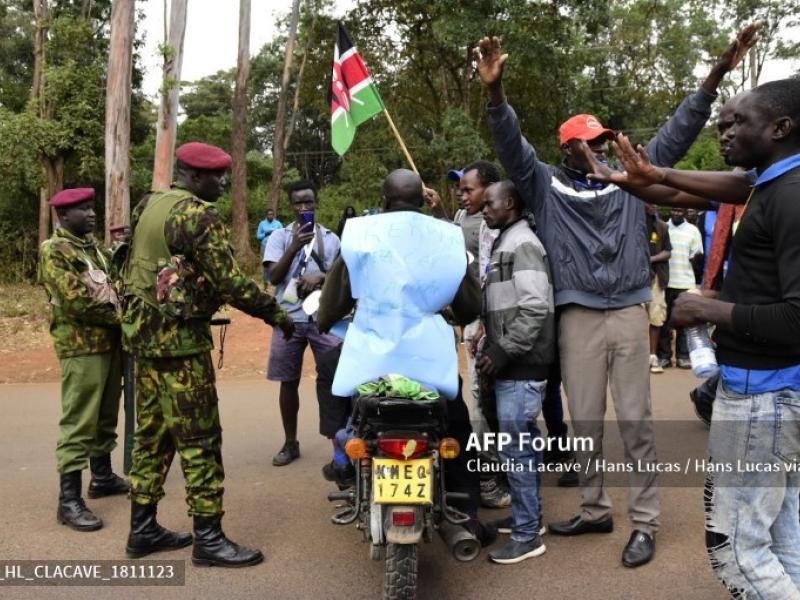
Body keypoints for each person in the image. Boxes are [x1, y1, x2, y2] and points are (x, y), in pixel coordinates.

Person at [474, 23, 756, 568]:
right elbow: (511, 146)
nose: (601, 147)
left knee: (636, 422)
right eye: (589, 142)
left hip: (628, 310)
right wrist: (495, 93)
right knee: (583, 421)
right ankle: (595, 507)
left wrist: (719, 70)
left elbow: (679, 126)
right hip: (576, 316)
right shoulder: (544, 187)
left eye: (603, 138)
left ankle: (645, 522)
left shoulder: (632, 176)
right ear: (568, 149)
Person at [597, 78, 800, 598]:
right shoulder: (768, 184)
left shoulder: (790, 198)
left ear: (781, 127)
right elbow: (680, 186)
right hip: (769, 393)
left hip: (764, 397)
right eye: (722, 123)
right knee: (782, 538)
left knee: (735, 551)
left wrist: (709, 309)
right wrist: (636, 175)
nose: (725, 133)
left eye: (737, 123)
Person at [122, 142, 293, 567]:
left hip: (144, 340)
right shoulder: (197, 216)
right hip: (179, 344)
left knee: (152, 435)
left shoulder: (151, 203)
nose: (222, 183)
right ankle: (209, 538)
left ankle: (142, 528)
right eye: (216, 177)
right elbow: (232, 283)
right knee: (199, 441)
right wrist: (278, 315)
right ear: (194, 177)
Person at [316, 168, 490, 544]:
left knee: (343, 395)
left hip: (370, 359)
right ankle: (469, 512)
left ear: (384, 199)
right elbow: (468, 306)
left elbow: (335, 298)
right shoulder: (447, 237)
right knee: (456, 425)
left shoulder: (361, 235)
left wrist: (324, 318)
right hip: (429, 362)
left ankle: (348, 468)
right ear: (421, 199)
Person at [39, 187, 128, 532]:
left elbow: (114, 287)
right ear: (63, 216)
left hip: (109, 344)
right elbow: (76, 300)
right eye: (83, 209)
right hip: (82, 347)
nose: (92, 214)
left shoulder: (95, 250)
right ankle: (69, 501)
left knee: (105, 415)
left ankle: (102, 477)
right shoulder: (55, 250)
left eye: (92, 207)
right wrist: (124, 319)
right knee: (80, 420)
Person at [476, 180, 555, 564]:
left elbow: (535, 306)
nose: (484, 209)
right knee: (521, 445)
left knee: (518, 449)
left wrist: (505, 350)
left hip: (523, 363)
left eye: (489, 202)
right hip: (515, 362)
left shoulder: (522, 243)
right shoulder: (507, 241)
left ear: (509, 202)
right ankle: (530, 518)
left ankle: (526, 536)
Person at [263, 180, 342, 467]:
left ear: (316, 202)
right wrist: (294, 245)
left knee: (334, 381)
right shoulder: (278, 237)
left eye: (309, 202)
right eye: (298, 203)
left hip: (324, 320)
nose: (304, 207)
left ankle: (340, 448)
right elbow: (272, 277)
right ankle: (290, 442)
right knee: (288, 382)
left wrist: (320, 278)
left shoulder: (331, 239)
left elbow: (342, 277)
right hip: (288, 320)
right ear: (291, 206)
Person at [656, 207, 703, 369]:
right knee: (664, 322)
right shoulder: (663, 227)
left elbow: (696, 257)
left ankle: (683, 356)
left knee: (684, 322)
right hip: (665, 282)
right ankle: (664, 356)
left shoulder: (693, 231)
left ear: (684, 212)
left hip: (686, 283)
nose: (676, 213)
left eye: (679, 211)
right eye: (674, 210)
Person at [645, 204, 671, 374]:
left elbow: (668, 252)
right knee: (636, 318)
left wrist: (652, 258)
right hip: (634, 278)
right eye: (650, 201)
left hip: (656, 278)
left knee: (656, 316)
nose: (654, 205)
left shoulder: (662, 226)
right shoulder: (632, 223)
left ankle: (653, 357)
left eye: (656, 202)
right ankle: (637, 358)